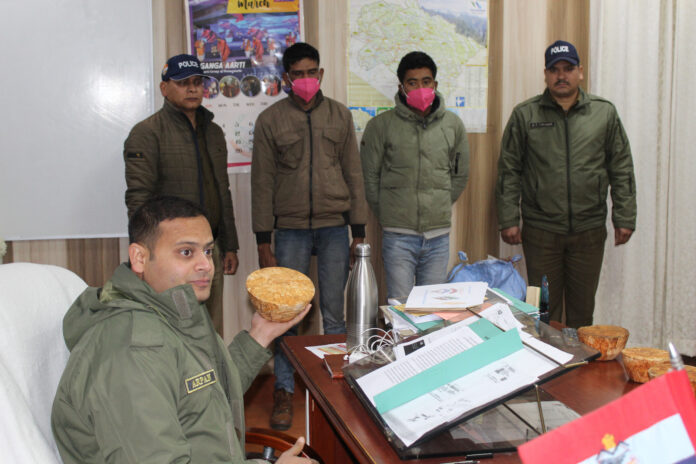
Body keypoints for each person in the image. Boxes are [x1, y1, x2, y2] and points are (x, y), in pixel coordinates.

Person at [51, 196, 316, 464]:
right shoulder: (132, 351)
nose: (206, 265)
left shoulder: (172, 311)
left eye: (208, 251)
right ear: (139, 258)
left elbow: (206, 392)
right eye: (187, 252)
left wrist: (261, 334)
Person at [251, 42, 367, 430]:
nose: (305, 80)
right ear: (286, 78)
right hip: (290, 230)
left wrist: (359, 230)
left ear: (321, 74)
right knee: (288, 314)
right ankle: (284, 389)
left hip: (335, 226)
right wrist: (263, 239)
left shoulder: (339, 115)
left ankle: (335, 387)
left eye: (311, 73)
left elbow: (354, 173)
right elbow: (262, 182)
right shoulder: (270, 120)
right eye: (297, 74)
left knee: (334, 311)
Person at [495, 40, 637, 328]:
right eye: (554, 70)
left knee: (582, 313)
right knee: (544, 313)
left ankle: (578, 357)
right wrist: (508, 219)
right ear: (546, 74)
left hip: (588, 231)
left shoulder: (604, 113)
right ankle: (549, 358)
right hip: (541, 232)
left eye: (568, 69)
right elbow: (509, 170)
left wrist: (624, 216)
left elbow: (621, 167)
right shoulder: (525, 115)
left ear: (580, 72)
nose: (561, 76)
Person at [123, 54, 239, 336]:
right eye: (183, 83)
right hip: (169, 253)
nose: (192, 88)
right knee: (174, 328)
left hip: (209, 248)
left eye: (197, 82)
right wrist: (146, 253)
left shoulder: (213, 132)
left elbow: (222, 191)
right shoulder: (146, 133)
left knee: (210, 329)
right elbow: (138, 199)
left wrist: (229, 245)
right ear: (164, 88)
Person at [360, 51, 469, 300]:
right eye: (412, 82)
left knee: (432, 308)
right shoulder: (381, 126)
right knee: (400, 309)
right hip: (398, 236)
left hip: (438, 237)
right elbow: (370, 178)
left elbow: (460, 175)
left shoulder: (453, 125)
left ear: (435, 84)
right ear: (401, 87)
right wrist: (390, 213)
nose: (420, 88)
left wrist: (439, 203)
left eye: (426, 81)